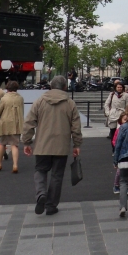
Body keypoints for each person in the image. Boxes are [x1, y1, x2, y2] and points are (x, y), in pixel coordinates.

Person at [22, 75, 82, 216]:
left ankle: (41, 193)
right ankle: (51, 205)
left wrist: (26, 141)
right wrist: (77, 144)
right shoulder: (70, 103)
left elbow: (29, 122)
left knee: (40, 170)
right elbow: (76, 127)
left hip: (42, 144)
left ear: (51, 86)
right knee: (57, 175)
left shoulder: (40, 101)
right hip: (61, 146)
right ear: (65, 87)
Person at [0, 80, 25, 173]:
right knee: (14, 145)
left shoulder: (4, 98)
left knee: (2, 144)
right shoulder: (20, 98)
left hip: (5, 124)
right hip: (16, 124)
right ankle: (15, 165)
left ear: (7, 88)